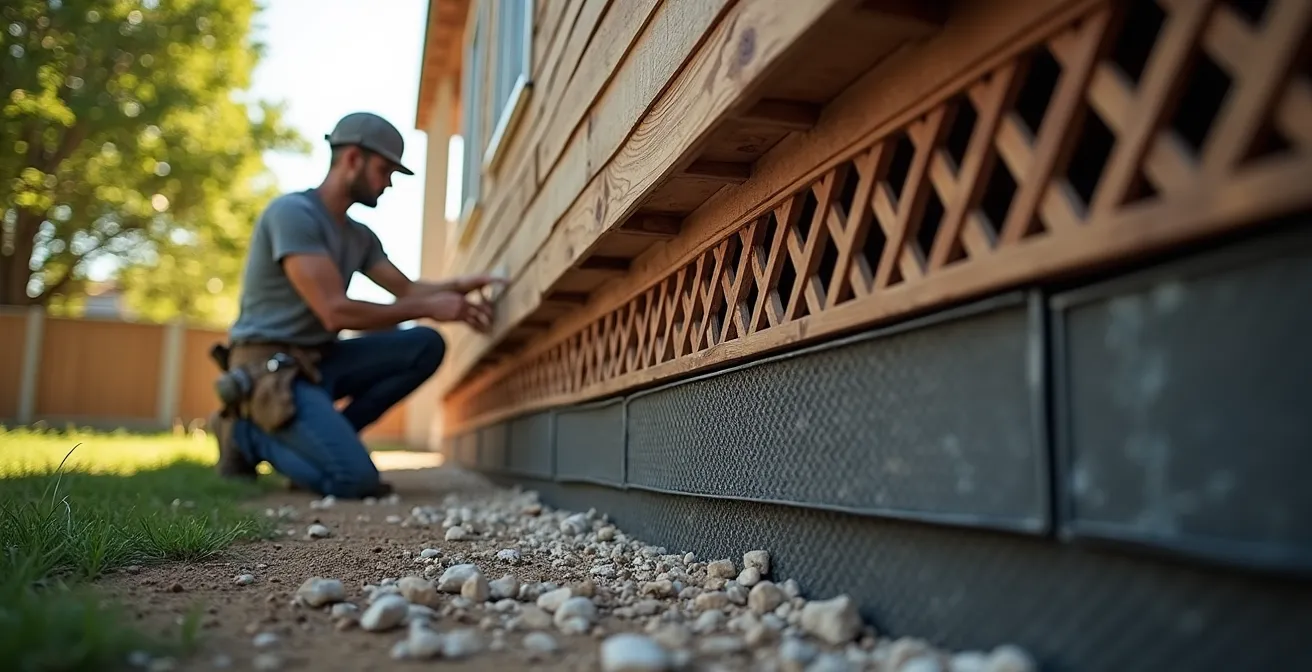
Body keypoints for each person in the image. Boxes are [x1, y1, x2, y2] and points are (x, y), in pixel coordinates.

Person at [208, 111, 503, 498]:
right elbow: (334, 310)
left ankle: (322, 443)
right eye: (385, 170)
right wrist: (430, 308)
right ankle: (244, 434)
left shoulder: (359, 237)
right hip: (269, 370)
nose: (388, 183)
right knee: (355, 481)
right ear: (351, 159)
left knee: (425, 345)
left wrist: (457, 288)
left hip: (318, 363)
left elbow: (407, 290)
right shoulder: (294, 214)